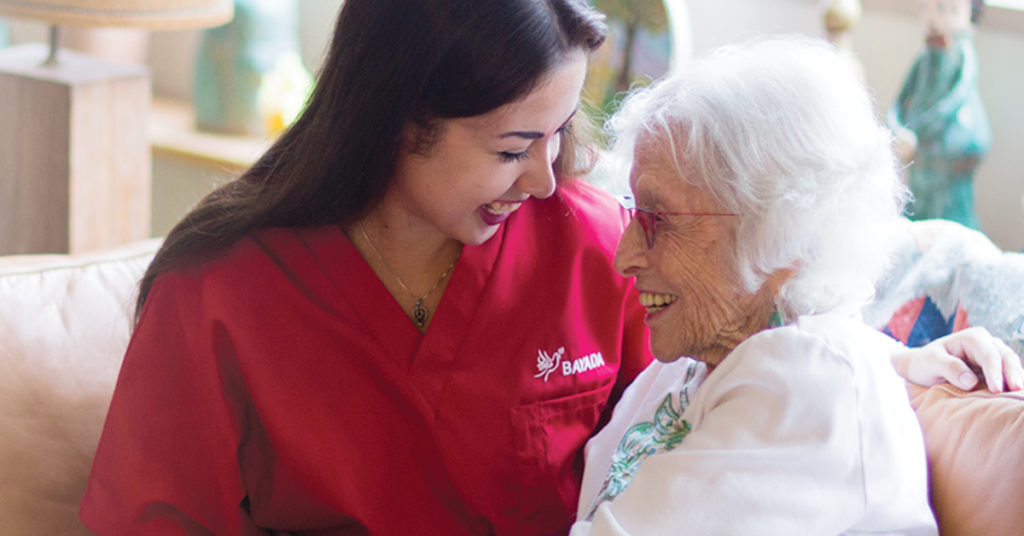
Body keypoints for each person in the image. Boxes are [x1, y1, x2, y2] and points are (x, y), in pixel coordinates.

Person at [80, 2, 1020, 534]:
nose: (544, 175)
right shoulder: (222, 293)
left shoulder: (592, 242)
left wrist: (888, 360)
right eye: (512, 145)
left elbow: (730, 363)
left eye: (563, 133)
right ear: (397, 123)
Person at [570, 37, 1020, 535]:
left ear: (780, 233)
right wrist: (897, 361)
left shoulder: (802, 385)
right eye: (634, 210)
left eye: (658, 218)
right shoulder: (710, 355)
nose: (624, 256)